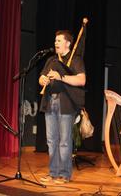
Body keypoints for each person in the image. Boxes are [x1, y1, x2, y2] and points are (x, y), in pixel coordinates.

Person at [38, 30, 86, 184]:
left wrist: (62, 77)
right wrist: (43, 79)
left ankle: (65, 175)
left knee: (64, 141)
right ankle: (53, 173)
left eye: (59, 40)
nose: (55, 43)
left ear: (68, 43)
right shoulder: (51, 60)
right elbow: (40, 77)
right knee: (51, 140)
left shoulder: (75, 60)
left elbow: (81, 80)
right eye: (55, 40)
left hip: (66, 104)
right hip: (49, 102)